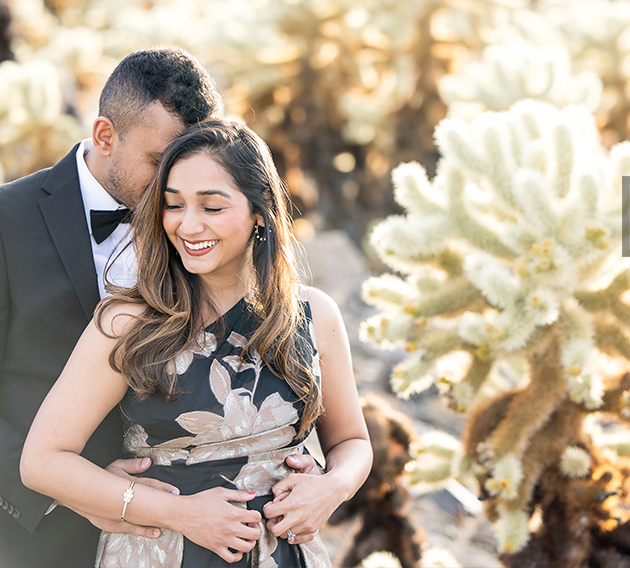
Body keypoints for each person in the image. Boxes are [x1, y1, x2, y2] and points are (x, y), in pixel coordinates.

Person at [0, 47, 227, 567]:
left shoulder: (199, 229)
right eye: (160, 162)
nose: (177, 188)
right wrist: (74, 489)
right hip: (20, 538)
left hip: (165, 541)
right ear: (106, 136)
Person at [20, 119, 373, 567]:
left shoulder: (313, 313)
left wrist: (332, 486)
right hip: (162, 553)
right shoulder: (129, 322)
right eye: (174, 205)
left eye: (211, 207)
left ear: (260, 210)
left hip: (282, 556)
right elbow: (43, 461)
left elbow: (352, 441)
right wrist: (180, 513)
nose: (188, 225)